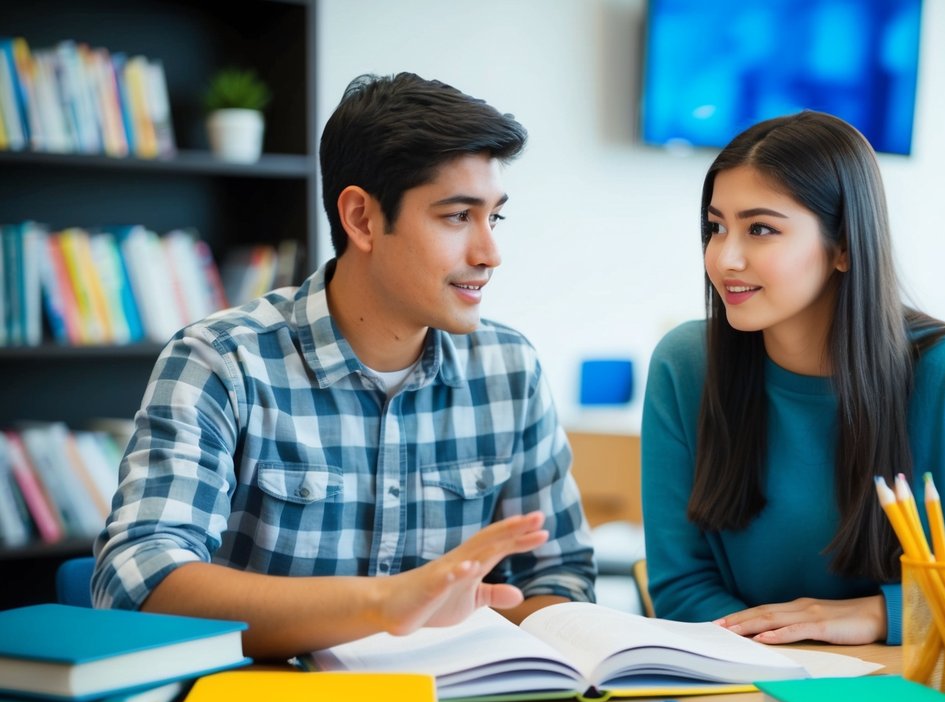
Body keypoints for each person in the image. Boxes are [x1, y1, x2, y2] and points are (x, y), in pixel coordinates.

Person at [93, 73, 596, 660]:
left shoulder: (510, 369)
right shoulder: (221, 361)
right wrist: (384, 605)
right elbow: (138, 583)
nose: (489, 253)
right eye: (458, 217)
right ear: (360, 219)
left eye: (495, 218)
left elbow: (560, 577)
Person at [641, 111, 945, 646]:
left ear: (844, 246)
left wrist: (888, 615)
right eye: (716, 227)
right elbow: (682, 588)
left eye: (760, 229)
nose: (725, 257)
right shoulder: (685, 366)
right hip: (755, 687)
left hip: (919, 691)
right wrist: (788, 663)